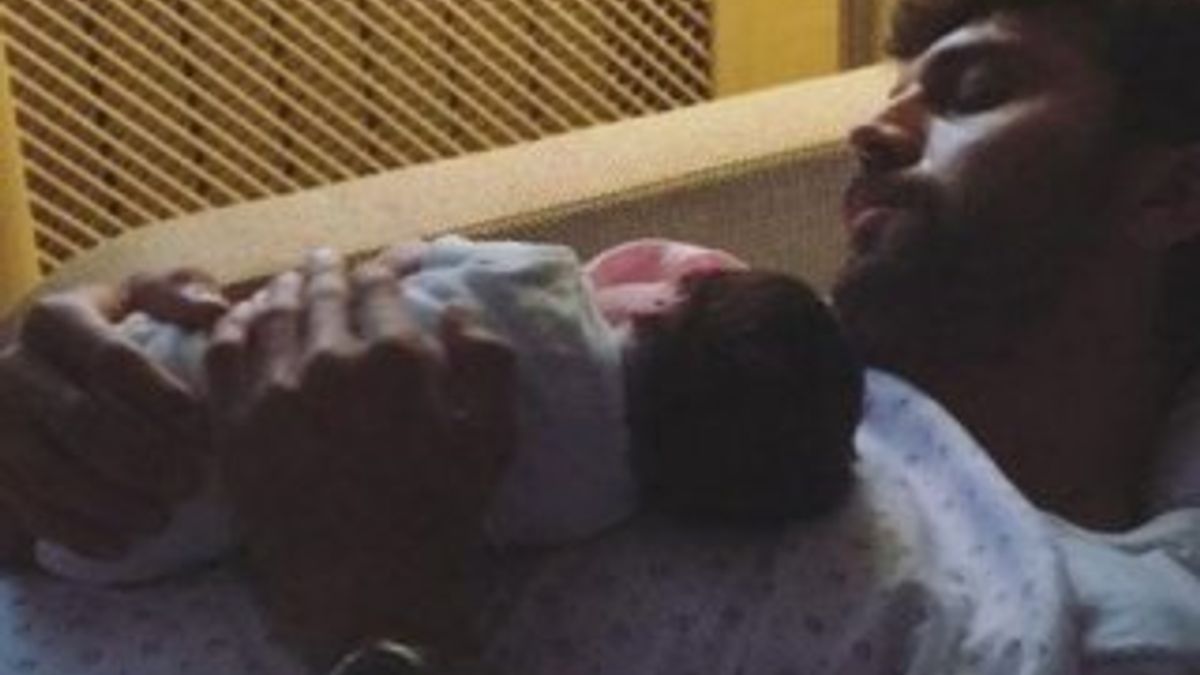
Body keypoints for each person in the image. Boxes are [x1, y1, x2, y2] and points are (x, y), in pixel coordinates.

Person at [2, 0, 1200, 672]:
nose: (873, 133)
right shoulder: (674, 332)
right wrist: (64, 422)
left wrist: (371, 609)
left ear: (1174, 192)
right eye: (890, 91)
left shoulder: (1105, 621)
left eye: (973, 90)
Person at [28, 236, 859, 586]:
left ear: (661, 302)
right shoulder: (591, 509)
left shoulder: (544, 286)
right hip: (132, 547)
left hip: (191, 370)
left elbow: (412, 258)